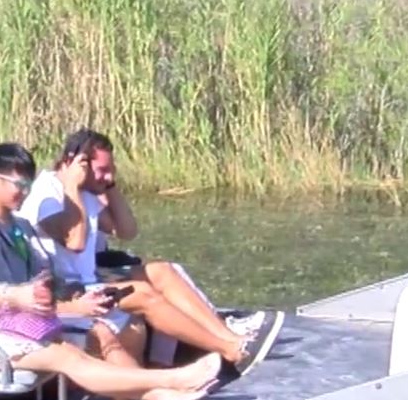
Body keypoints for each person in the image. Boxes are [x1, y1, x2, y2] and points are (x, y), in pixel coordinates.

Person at [0, 161, 219, 400]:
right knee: (66, 356)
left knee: (77, 345)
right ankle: (172, 380)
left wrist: (30, 293)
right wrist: (13, 296)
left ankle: (159, 394)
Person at [17, 129, 282, 376]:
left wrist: (108, 186)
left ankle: (228, 337)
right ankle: (230, 351)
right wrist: (72, 185)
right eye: (102, 170)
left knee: (161, 271)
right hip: (69, 292)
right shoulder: (48, 193)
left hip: (90, 280)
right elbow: (74, 241)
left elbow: (127, 230)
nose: (108, 177)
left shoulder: (87, 192)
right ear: (74, 163)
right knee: (145, 295)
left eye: (111, 170)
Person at [0, 142, 150, 400]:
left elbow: (45, 275)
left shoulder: (21, 226)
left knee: (131, 325)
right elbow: (9, 298)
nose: (25, 191)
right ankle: (158, 392)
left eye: (28, 183)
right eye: (20, 183)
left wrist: (74, 296)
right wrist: (74, 309)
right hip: (15, 321)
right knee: (104, 333)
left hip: (47, 308)